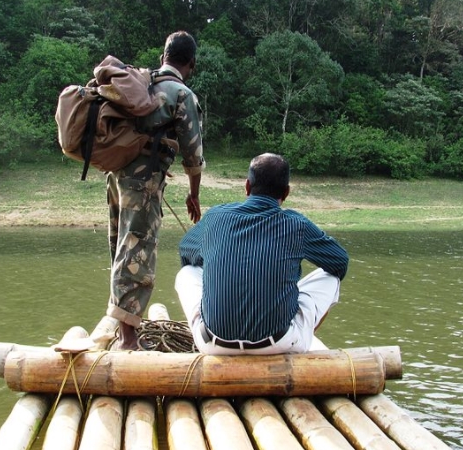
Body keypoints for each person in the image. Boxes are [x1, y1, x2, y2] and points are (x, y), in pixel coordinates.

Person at [175, 153, 348, 355]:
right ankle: (301, 336)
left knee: (186, 272)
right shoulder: (296, 224)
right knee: (331, 278)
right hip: (277, 345)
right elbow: (339, 262)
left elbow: (185, 252)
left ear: (247, 186)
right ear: (286, 192)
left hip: (212, 344)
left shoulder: (215, 217)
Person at [106, 31, 205, 350]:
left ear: (164, 56)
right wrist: (194, 194)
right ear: (190, 63)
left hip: (115, 175)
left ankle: (122, 326)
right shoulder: (181, 93)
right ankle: (129, 340)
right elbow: (193, 154)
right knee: (138, 251)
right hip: (143, 182)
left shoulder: (139, 82)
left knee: (121, 246)